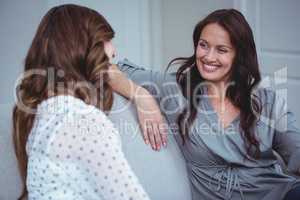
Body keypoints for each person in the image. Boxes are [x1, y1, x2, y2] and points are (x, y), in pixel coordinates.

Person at [117, 9, 300, 200]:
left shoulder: (266, 100)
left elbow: (296, 148)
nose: (208, 57)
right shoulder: (174, 89)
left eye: (221, 50)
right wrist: (141, 97)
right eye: (203, 45)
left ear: (239, 55)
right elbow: (108, 68)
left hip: (280, 192)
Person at [12, 4, 166, 200]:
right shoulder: (82, 120)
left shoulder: (43, 113)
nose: (114, 50)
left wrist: (141, 95)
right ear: (85, 48)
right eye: (107, 39)